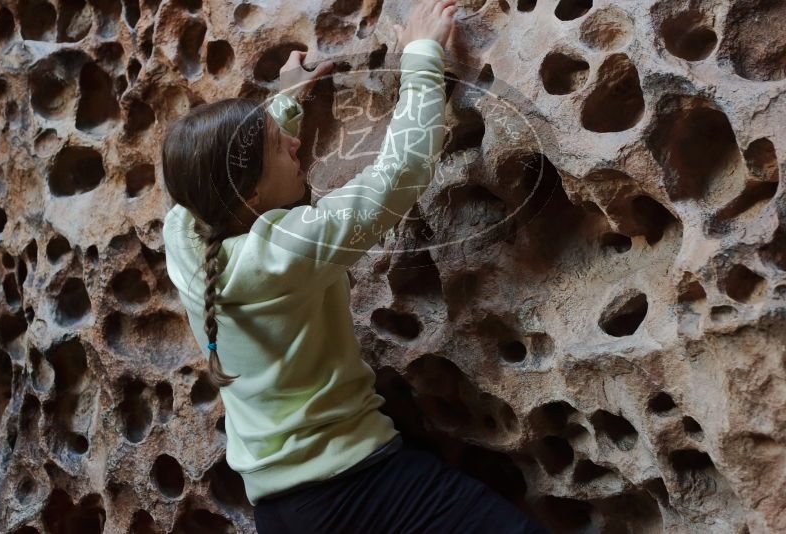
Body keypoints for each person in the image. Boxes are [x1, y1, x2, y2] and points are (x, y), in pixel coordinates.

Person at [161, 0, 548, 531]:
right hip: (353, 488)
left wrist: (285, 103)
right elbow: (401, 171)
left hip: (280, 510)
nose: (295, 144)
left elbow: (219, 170)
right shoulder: (284, 252)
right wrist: (421, 55)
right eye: (279, 146)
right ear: (249, 196)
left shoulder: (184, 232)